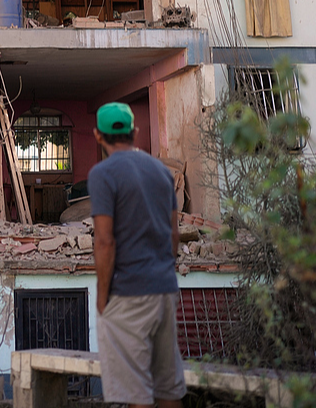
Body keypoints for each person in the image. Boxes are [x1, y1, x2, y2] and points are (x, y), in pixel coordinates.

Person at [88, 102, 185, 408]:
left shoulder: (102, 174)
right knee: (168, 388)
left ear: (97, 136)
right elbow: (174, 236)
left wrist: (103, 296)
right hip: (165, 291)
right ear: (135, 132)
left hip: (128, 294)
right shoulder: (161, 171)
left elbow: (105, 242)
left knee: (136, 393)